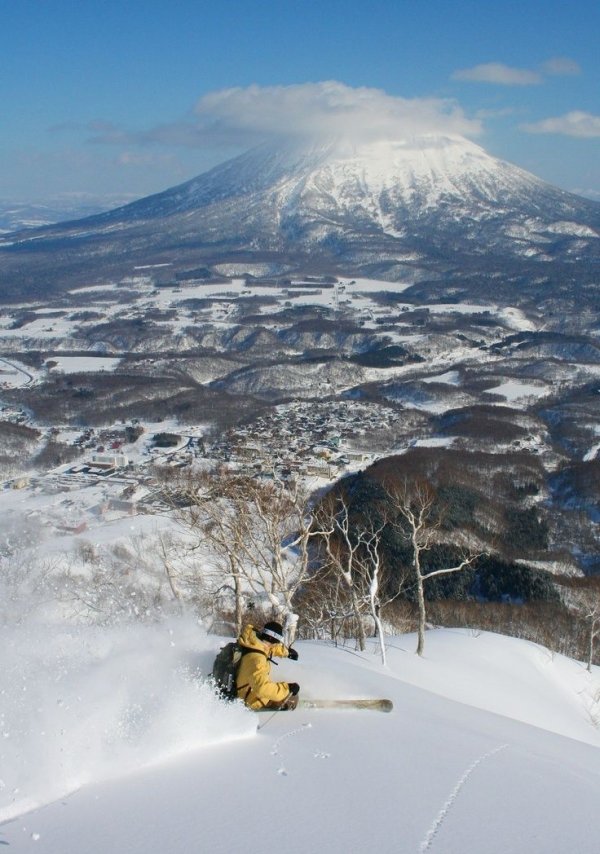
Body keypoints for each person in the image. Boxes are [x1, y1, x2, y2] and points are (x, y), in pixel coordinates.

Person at [235, 621, 300, 711]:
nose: (276, 643)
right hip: (246, 700)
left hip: (243, 687)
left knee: (282, 692)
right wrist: (287, 688)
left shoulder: (253, 642)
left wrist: (287, 652)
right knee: (291, 699)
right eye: (277, 641)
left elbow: (269, 648)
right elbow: (262, 688)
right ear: (270, 637)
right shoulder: (258, 660)